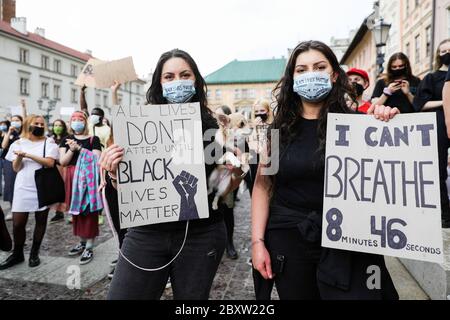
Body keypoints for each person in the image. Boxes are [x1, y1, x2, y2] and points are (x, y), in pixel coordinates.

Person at [251, 40, 399, 300]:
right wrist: (257, 242)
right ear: (292, 78)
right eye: (302, 69)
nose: (311, 74)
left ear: (333, 75)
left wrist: (386, 125)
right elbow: (263, 187)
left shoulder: (360, 126)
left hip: (350, 242)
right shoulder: (276, 133)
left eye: (319, 67)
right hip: (289, 241)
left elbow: (386, 175)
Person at [102, 49, 246, 300]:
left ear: (195, 80)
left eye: (184, 75)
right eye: (169, 76)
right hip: (146, 232)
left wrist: (235, 176)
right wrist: (114, 172)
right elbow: (127, 187)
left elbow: (219, 190)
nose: (177, 81)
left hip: (200, 234)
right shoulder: (138, 123)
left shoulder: (211, 126)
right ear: (159, 82)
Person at [0, 115, 59, 270]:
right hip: (22, 186)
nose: (39, 125)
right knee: (18, 223)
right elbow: (16, 168)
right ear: (28, 124)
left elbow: (50, 162)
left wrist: (27, 155)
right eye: (36, 123)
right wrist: (19, 157)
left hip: (42, 187)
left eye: (41, 124)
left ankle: (34, 253)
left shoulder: (49, 142)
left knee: (40, 221)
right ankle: (17, 254)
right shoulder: (18, 143)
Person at [413, 39, 450, 228]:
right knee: (439, 169)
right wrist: (446, 101)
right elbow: (420, 104)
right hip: (439, 124)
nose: (447, 53)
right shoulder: (431, 77)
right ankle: (445, 212)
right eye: (443, 50)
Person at [59, 111, 102, 265]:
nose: (77, 121)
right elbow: (63, 162)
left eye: (80, 119)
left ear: (85, 122)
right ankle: (82, 241)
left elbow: (96, 159)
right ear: (70, 122)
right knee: (76, 210)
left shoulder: (93, 139)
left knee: (89, 210)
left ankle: (90, 246)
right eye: (74, 119)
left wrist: (80, 149)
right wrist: (72, 149)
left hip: (88, 179)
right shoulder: (66, 139)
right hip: (72, 178)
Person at [214, 105, 239, 260]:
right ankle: (216, 244)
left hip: (227, 176)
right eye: (216, 117)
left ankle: (229, 243)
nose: (219, 120)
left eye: (221, 116)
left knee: (227, 211)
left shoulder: (234, 133)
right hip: (211, 177)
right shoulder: (210, 131)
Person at [1, 104, 26, 221]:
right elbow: (4, 146)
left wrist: (23, 107)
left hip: (23, 161)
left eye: (17, 120)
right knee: (10, 184)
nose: (15, 122)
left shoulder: (24, 133)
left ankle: (23, 206)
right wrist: (8, 133)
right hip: (9, 162)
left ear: (21, 122)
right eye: (13, 120)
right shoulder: (9, 133)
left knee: (23, 184)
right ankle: (12, 209)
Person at [248, 99, 274, 197]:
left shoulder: (273, 125)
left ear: (268, 111)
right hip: (256, 159)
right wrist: (254, 128)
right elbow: (251, 146)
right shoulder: (252, 127)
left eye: (262, 111)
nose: (259, 114)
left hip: (269, 159)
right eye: (256, 112)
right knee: (256, 186)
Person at [48, 119, 69, 223]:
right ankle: (58, 212)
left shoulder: (68, 138)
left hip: (64, 167)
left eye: (60, 125)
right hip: (54, 167)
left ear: (64, 127)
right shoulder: (50, 139)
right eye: (55, 125)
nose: (57, 127)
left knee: (65, 189)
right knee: (56, 190)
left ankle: (69, 211)